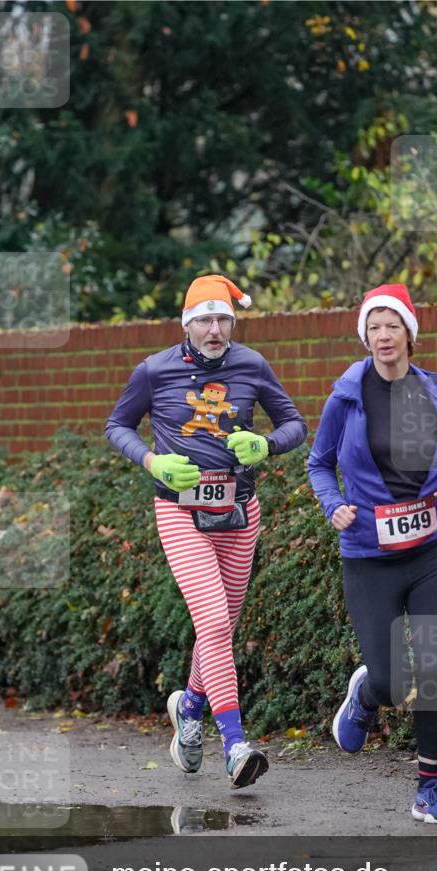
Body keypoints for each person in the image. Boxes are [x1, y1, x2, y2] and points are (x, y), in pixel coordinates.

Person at [105, 274, 307, 789]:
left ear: (232, 323)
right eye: (204, 320)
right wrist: (153, 461)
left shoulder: (252, 365)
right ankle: (235, 743)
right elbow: (117, 427)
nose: (214, 329)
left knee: (219, 630)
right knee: (215, 620)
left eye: (223, 320)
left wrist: (266, 445)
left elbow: (295, 425)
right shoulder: (153, 371)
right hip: (180, 512)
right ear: (187, 324)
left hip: (240, 512)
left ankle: (189, 709)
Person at [308, 283, 437, 824]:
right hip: (368, 556)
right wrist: (333, 504)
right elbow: (318, 463)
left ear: (409, 335)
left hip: (428, 551)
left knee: (434, 666)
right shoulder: (346, 395)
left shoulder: (433, 392)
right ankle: (366, 693)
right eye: (374, 327)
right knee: (391, 678)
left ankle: (429, 789)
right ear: (366, 337)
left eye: (392, 326)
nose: (383, 336)